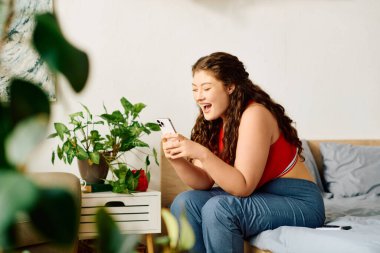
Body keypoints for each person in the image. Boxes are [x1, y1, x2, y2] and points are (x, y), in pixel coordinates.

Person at [161, 52, 325, 253]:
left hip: (299, 202)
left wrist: (202, 153)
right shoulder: (215, 123)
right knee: (185, 203)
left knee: (220, 208)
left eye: (206, 88)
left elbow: (243, 187)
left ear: (230, 87)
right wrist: (177, 159)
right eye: (195, 89)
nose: (198, 96)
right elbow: (203, 182)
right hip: (260, 195)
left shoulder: (254, 114)